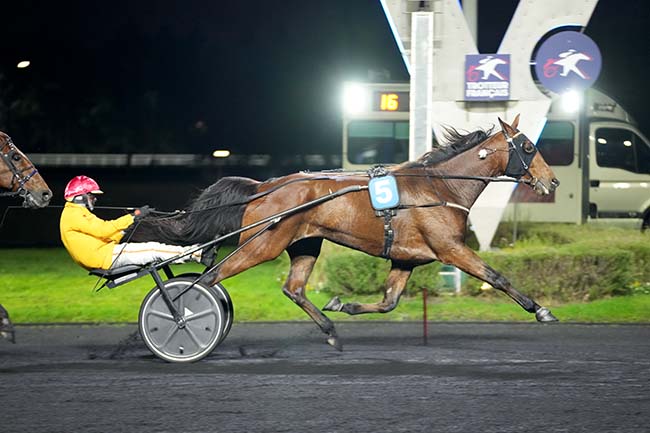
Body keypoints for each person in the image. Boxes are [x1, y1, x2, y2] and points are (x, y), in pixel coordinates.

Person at [60, 175, 206, 270]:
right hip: (103, 257)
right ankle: (194, 253)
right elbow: (103, 229)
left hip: (104, 254)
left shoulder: (76, 213)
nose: (95, 199)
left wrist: (126, 229)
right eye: (92, 196)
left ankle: (193, 252)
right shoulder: (74, 214)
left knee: (151, 249)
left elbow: (104, 236)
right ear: (81, 196)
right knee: (152, 249)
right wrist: (133, 216)